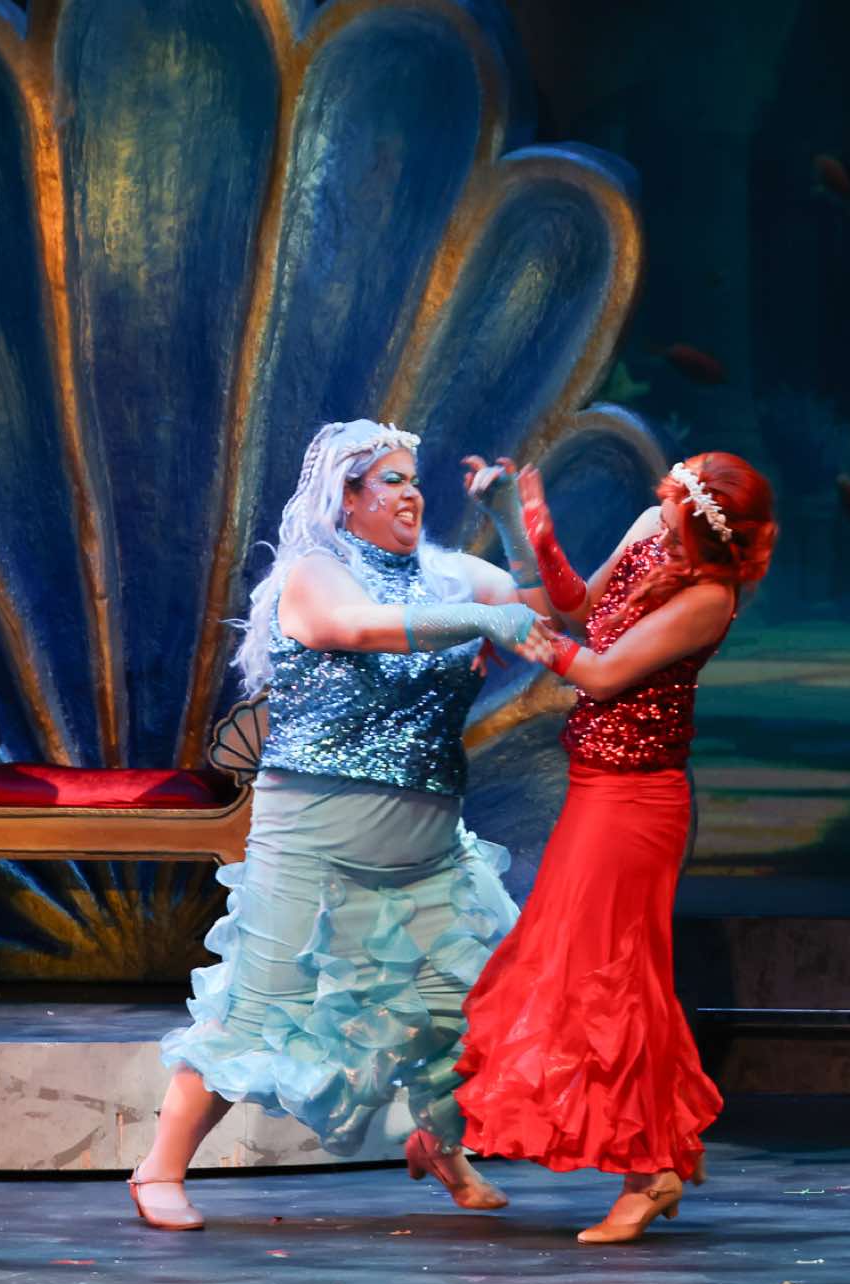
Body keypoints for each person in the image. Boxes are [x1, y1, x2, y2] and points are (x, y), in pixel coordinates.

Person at [129, 419, 554, 1230]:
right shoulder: (314, 571)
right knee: (260, 1006)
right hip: (315, 834)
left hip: (428, 843)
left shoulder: (445, 573)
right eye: (391, 480)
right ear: (347, 497)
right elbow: (352, 628)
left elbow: (539, 614)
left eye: (414, 479)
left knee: (467, 998)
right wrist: (477, 619)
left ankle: (439, 1143)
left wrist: (508, 523)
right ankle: (159, 1168)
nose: (411, 493)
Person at [455, 450, 776, 1244]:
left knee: (614, 980)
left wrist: (523, 635)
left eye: (678, 514)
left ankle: (650, 1169)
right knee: (599, 972)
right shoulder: (647, 529)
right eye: (667, 500)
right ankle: (659, 1151)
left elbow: (599, 674)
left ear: (710, 536)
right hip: (596, 784)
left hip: (637, 800)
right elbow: (579, 608)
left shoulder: (710, 598)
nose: (661, 517)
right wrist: (529, 519)